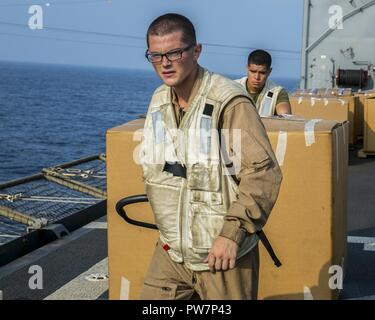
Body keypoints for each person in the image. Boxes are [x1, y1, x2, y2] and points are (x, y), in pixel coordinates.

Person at [140, 13, 282, 300]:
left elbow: (263, 174)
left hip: (221, 257)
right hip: (171, 253)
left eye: (174, 52)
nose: (165, 63)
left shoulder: (228, 102)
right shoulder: (158, 101)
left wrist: (231, 234)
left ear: (196, 51)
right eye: (156, 55)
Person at [236, 49, 292, 116]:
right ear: (247, 68)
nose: (257, 77)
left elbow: (285, 117)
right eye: (253, 71)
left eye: (262, 73)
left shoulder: (277, 92)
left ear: (269, 71)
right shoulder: (233, 87)